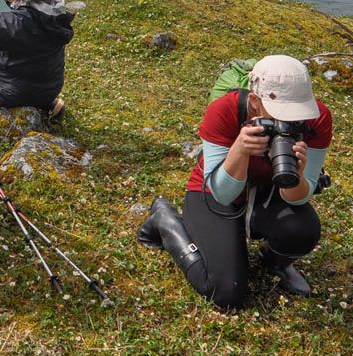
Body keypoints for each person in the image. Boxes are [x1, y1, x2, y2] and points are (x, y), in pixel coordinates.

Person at [138, 55, 333, 309]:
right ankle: (166, 221)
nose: (290, 122)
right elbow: (222, 194)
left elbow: (300, 197)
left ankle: (274, 263)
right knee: (225, 292)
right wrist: (239, 150)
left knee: (303, 230)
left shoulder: (318, 119)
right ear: (254, 102)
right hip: (215, 191)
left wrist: (296, 174)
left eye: (297, 114)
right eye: (281, 113)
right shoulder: (224, 109)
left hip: (266, 192)